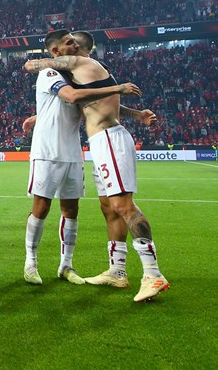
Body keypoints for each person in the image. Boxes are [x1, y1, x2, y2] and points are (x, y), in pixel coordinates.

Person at [25, 31, 169, 302]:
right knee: (108, 207)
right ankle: (117, 271)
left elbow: (31, 66)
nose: (73, 45)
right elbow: (98, 104)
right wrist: (136, 113)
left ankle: (153, 273)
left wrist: (40, 62)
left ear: (79, 49)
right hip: (101, 142)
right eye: (68, 41)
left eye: (73, 42)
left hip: (110, 140)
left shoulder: (79, 63)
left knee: (123, 206)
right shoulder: (85, 72)